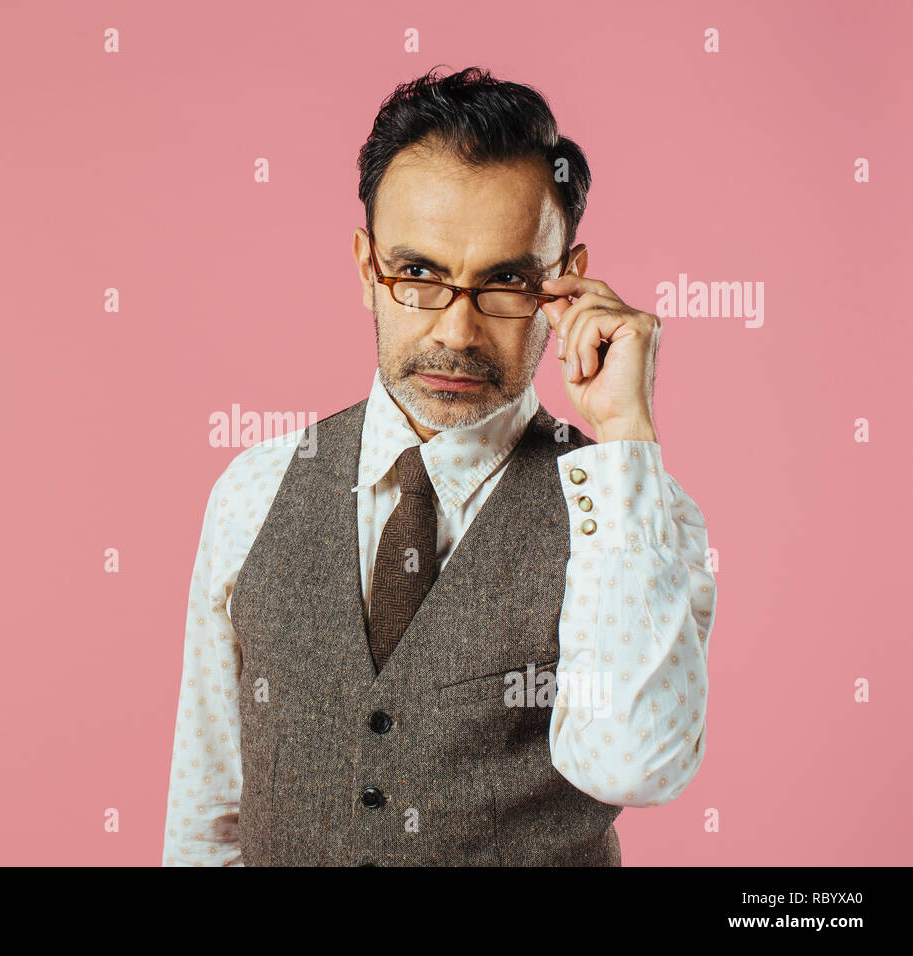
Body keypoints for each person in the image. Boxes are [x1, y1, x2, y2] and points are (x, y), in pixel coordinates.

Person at [161, 65, 716, 866]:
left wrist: (625, 432)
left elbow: (635, 762)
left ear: (564, 279)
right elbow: (208, 810)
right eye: (418, 274)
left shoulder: (634, 513)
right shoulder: (253, 489)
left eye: (506, 281)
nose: (457, 332)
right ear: (367, 269)